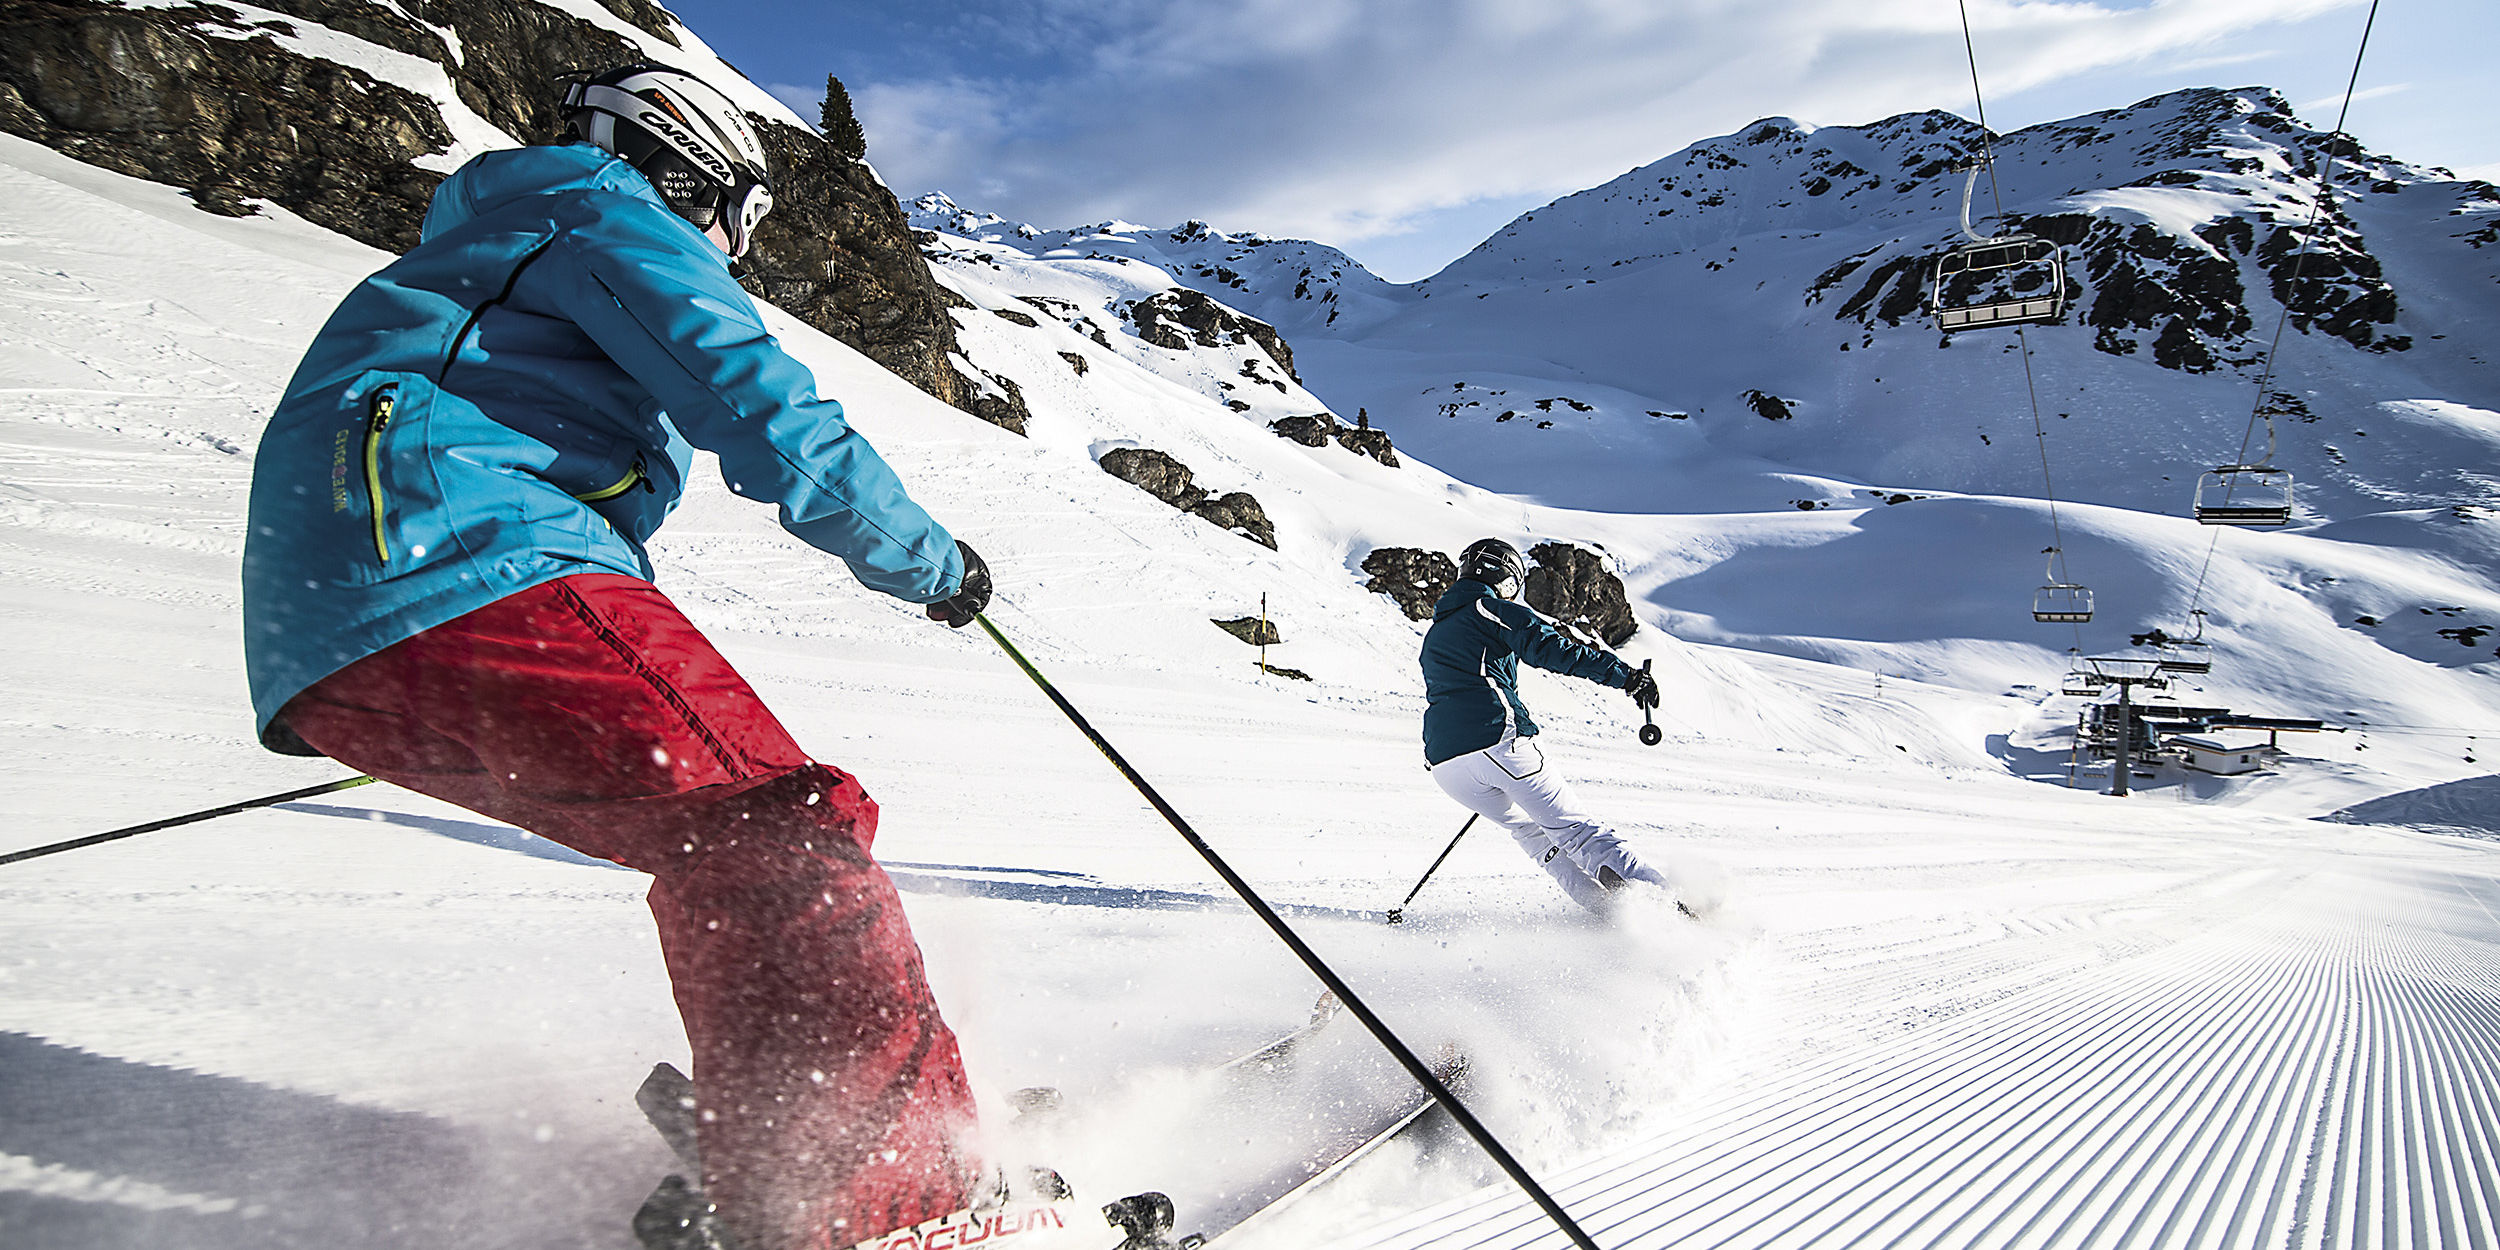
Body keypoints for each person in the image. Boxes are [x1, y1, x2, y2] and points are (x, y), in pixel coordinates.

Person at [241, 64, 995, 1250]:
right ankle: (892, 1204)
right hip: (466, 561)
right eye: (735, 220)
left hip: (348, 642)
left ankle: (790, 1138)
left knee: (723, 843)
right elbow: (759, 403)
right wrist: (929, 562)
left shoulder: (496, 253)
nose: (728, 247)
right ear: (695, 173)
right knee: (781, 830)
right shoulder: (603, 208)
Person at [1420, 539, 1672, 914]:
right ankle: (1671, 909)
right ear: (1506, 577)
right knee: (1576, 831)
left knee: (1534, 835)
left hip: (1447, 765)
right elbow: (1549, 647)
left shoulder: (1438, 630)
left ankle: (1610, 919)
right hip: (1496, 740)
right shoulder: (1489, 608)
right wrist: (1627, 678)